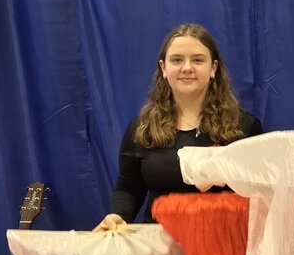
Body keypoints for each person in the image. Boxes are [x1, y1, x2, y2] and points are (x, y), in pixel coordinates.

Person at [93, 23, 262, 232]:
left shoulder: (244, 129)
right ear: (164, 68)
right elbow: (128, 189)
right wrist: (117, 215)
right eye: (177, 60)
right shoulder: (141, 130)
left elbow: (257, 198)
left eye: (197, 60)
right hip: (157, 243)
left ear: (213, 68)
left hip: (221, 244)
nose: (187, 68)